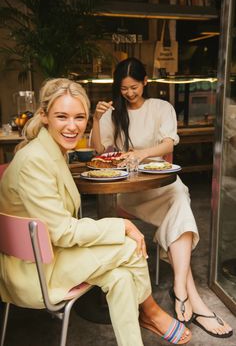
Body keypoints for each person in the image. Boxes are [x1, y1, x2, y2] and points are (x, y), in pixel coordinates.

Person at [0, 78, 192, 346]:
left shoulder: (51, 150)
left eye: (79, 117)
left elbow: (59, 228)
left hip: (51, 254)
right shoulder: (35, 160)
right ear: (44, 116)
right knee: (128, 246)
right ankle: (150, 312)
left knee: (122, 277)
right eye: (62, 116)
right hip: (35, 271)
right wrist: (122, 225)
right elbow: (62, 232)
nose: (72, 126)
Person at [90, 57, 233, 339]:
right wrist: (96, 119)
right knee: (181, 203)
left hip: (161, 186)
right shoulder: (113, 114)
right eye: (123, 89)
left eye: (134, 87)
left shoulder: (161, 108)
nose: (129, 93)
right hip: (130, 191)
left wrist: (139, 154)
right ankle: (192, 297)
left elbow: (169, 142)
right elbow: (98, 150)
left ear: (145, 82)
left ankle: (181, 289)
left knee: (178, 196)